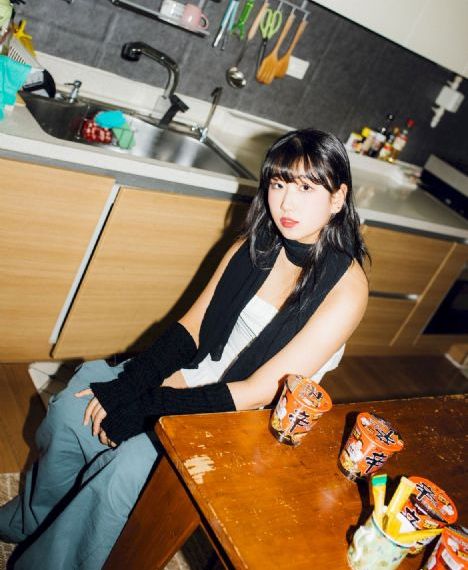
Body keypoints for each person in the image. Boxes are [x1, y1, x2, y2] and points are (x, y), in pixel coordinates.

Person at [0, 128, 369, 569]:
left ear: (337, 198)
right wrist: (134, 383)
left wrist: (149, 407)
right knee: (72, 408)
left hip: (247, 416)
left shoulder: (346, 289)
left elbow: (259, 390)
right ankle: (33, 519)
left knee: (128, 470)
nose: (287, 204)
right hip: (200, 372)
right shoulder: (254, 244)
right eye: (278, 184)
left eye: (306, 188)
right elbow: (192, 328)